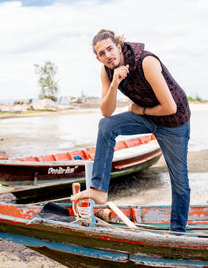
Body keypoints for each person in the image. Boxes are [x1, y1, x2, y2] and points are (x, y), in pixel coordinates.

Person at [71, 29, 191, 232]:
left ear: (119, 46)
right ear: (98, 58)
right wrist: (115, 83)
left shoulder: (146, 62)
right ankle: (99, 189)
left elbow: (170, 107)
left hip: (173, 121)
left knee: (179, 181)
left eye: (110, 49)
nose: (108, 55)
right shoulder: (107, 70)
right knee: (106, 126)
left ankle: (177, 232)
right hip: (147, 116)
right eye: (101, 53)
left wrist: (142, 110)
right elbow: (106, 113)